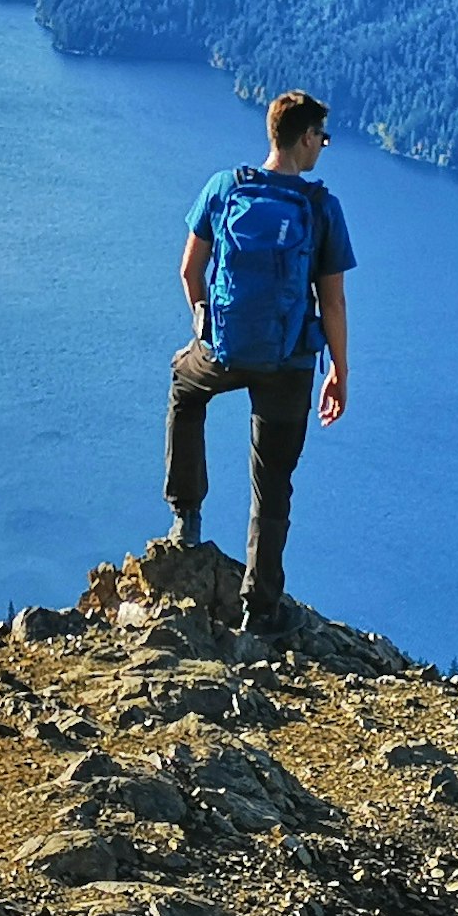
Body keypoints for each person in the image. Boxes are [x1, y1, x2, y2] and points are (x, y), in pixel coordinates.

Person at [166, 89, 354, 648]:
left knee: (184, 387)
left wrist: (204, 322)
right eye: (322, 136)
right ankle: (262, 611)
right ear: (302, 139)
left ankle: (186, 515)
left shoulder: (225, 188)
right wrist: (339, 372)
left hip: (223, 351)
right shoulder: (321, 208)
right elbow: (334, 302)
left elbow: (188, 269)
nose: (323, 145)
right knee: (271, 486)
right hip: (289, 363)